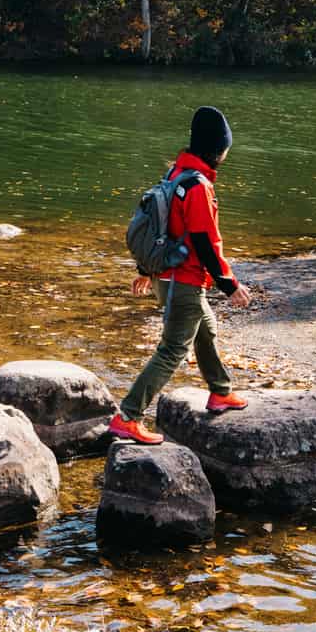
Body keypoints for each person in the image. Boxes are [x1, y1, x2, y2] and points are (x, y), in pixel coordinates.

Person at [109, 105, 253, 445]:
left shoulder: (176, 175)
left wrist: (147, 270)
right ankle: (127, 416)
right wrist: (229, 284)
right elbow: (204, 242)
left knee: (206, 329)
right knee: (173, 349)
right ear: (219, 150)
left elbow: (162, 229)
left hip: (168, 277)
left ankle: (220, 391)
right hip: (184, 282)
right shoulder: (198, 186)